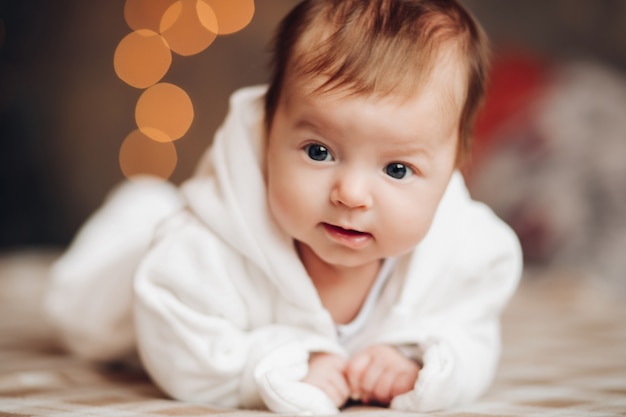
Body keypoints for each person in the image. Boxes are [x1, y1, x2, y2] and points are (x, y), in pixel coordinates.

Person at [45, 0, 522, 414]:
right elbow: (177, 347)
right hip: (127, 296)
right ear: (269, 130)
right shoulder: (201, 252)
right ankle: (143, 209)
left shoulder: (463, 251)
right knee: (81, 317)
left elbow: (474, 338)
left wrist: (420, 364)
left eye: (397, 169)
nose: (351, 194)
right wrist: (282, 362)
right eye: (319, 151)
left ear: (456, 162)